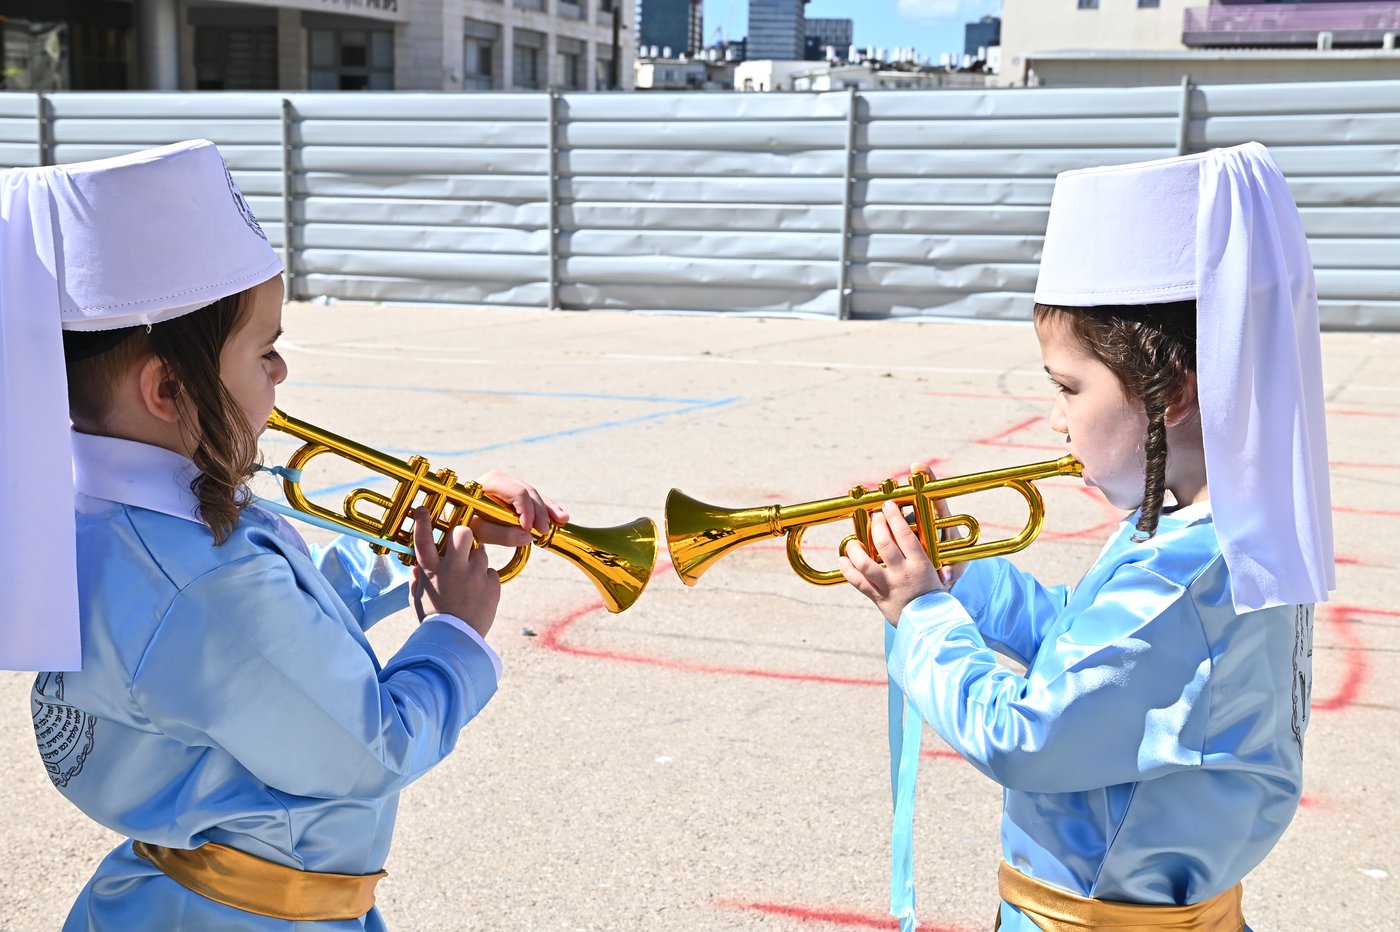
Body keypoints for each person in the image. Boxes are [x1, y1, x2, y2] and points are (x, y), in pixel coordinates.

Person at [6, 140, 567, 929]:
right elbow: (372, 753)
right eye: (265, 351)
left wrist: (419, 527)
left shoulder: (113, 512)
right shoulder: (202, 587)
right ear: (168, 388)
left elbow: (276, 626)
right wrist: (455, 634)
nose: (281, 375)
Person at [839, 142, 1333, 931]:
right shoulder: (1203, 531)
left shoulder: (1178, 576)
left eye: (1067, 387)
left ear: (1170, 392)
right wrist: (960, 575)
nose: (1056, 417)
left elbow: (1024, 736)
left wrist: (923, 616)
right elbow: (1082, 640)